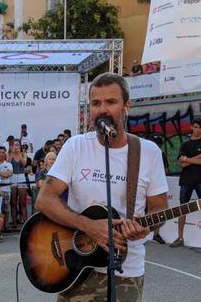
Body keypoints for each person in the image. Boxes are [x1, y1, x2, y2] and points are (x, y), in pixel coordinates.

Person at [36, 72, 168, 302]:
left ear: (127, 106)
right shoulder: (75, 146)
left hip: (125, 271)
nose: (102, 110)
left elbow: (159, 208)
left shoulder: (148, 152)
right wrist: (89, 226)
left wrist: (146, 227)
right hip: (76, 268)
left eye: (111, 102)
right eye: (96, 103)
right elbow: (44, 200)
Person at [170, 118, 201, 247]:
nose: (197, 130)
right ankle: (180, 238)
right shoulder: (185, 144)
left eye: (200, 127)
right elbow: (181, 164)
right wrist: (195, 158)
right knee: (182, 209)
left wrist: (187, 159)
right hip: (186, 181)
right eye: (195, 127)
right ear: (191, 127)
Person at [0, 146, 13, 231]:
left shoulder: (8, 164)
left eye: (3, 152)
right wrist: (2, 174)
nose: (2, 154)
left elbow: (8, 174)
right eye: (0, 152)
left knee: (6, 209)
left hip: (6, 189)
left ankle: (6, 226)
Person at [9, 140, 28, 228]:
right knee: (13, 201)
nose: (16, 147)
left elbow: (24, 163)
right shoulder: (9, 154)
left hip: (21, 177)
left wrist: (19, 153)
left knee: (23, 202)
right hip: (12, 177)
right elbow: (8, 163)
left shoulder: (23, 154)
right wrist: (12, 153)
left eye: (17, 145)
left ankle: (25, 222)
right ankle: (14, 222)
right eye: (14, 145)